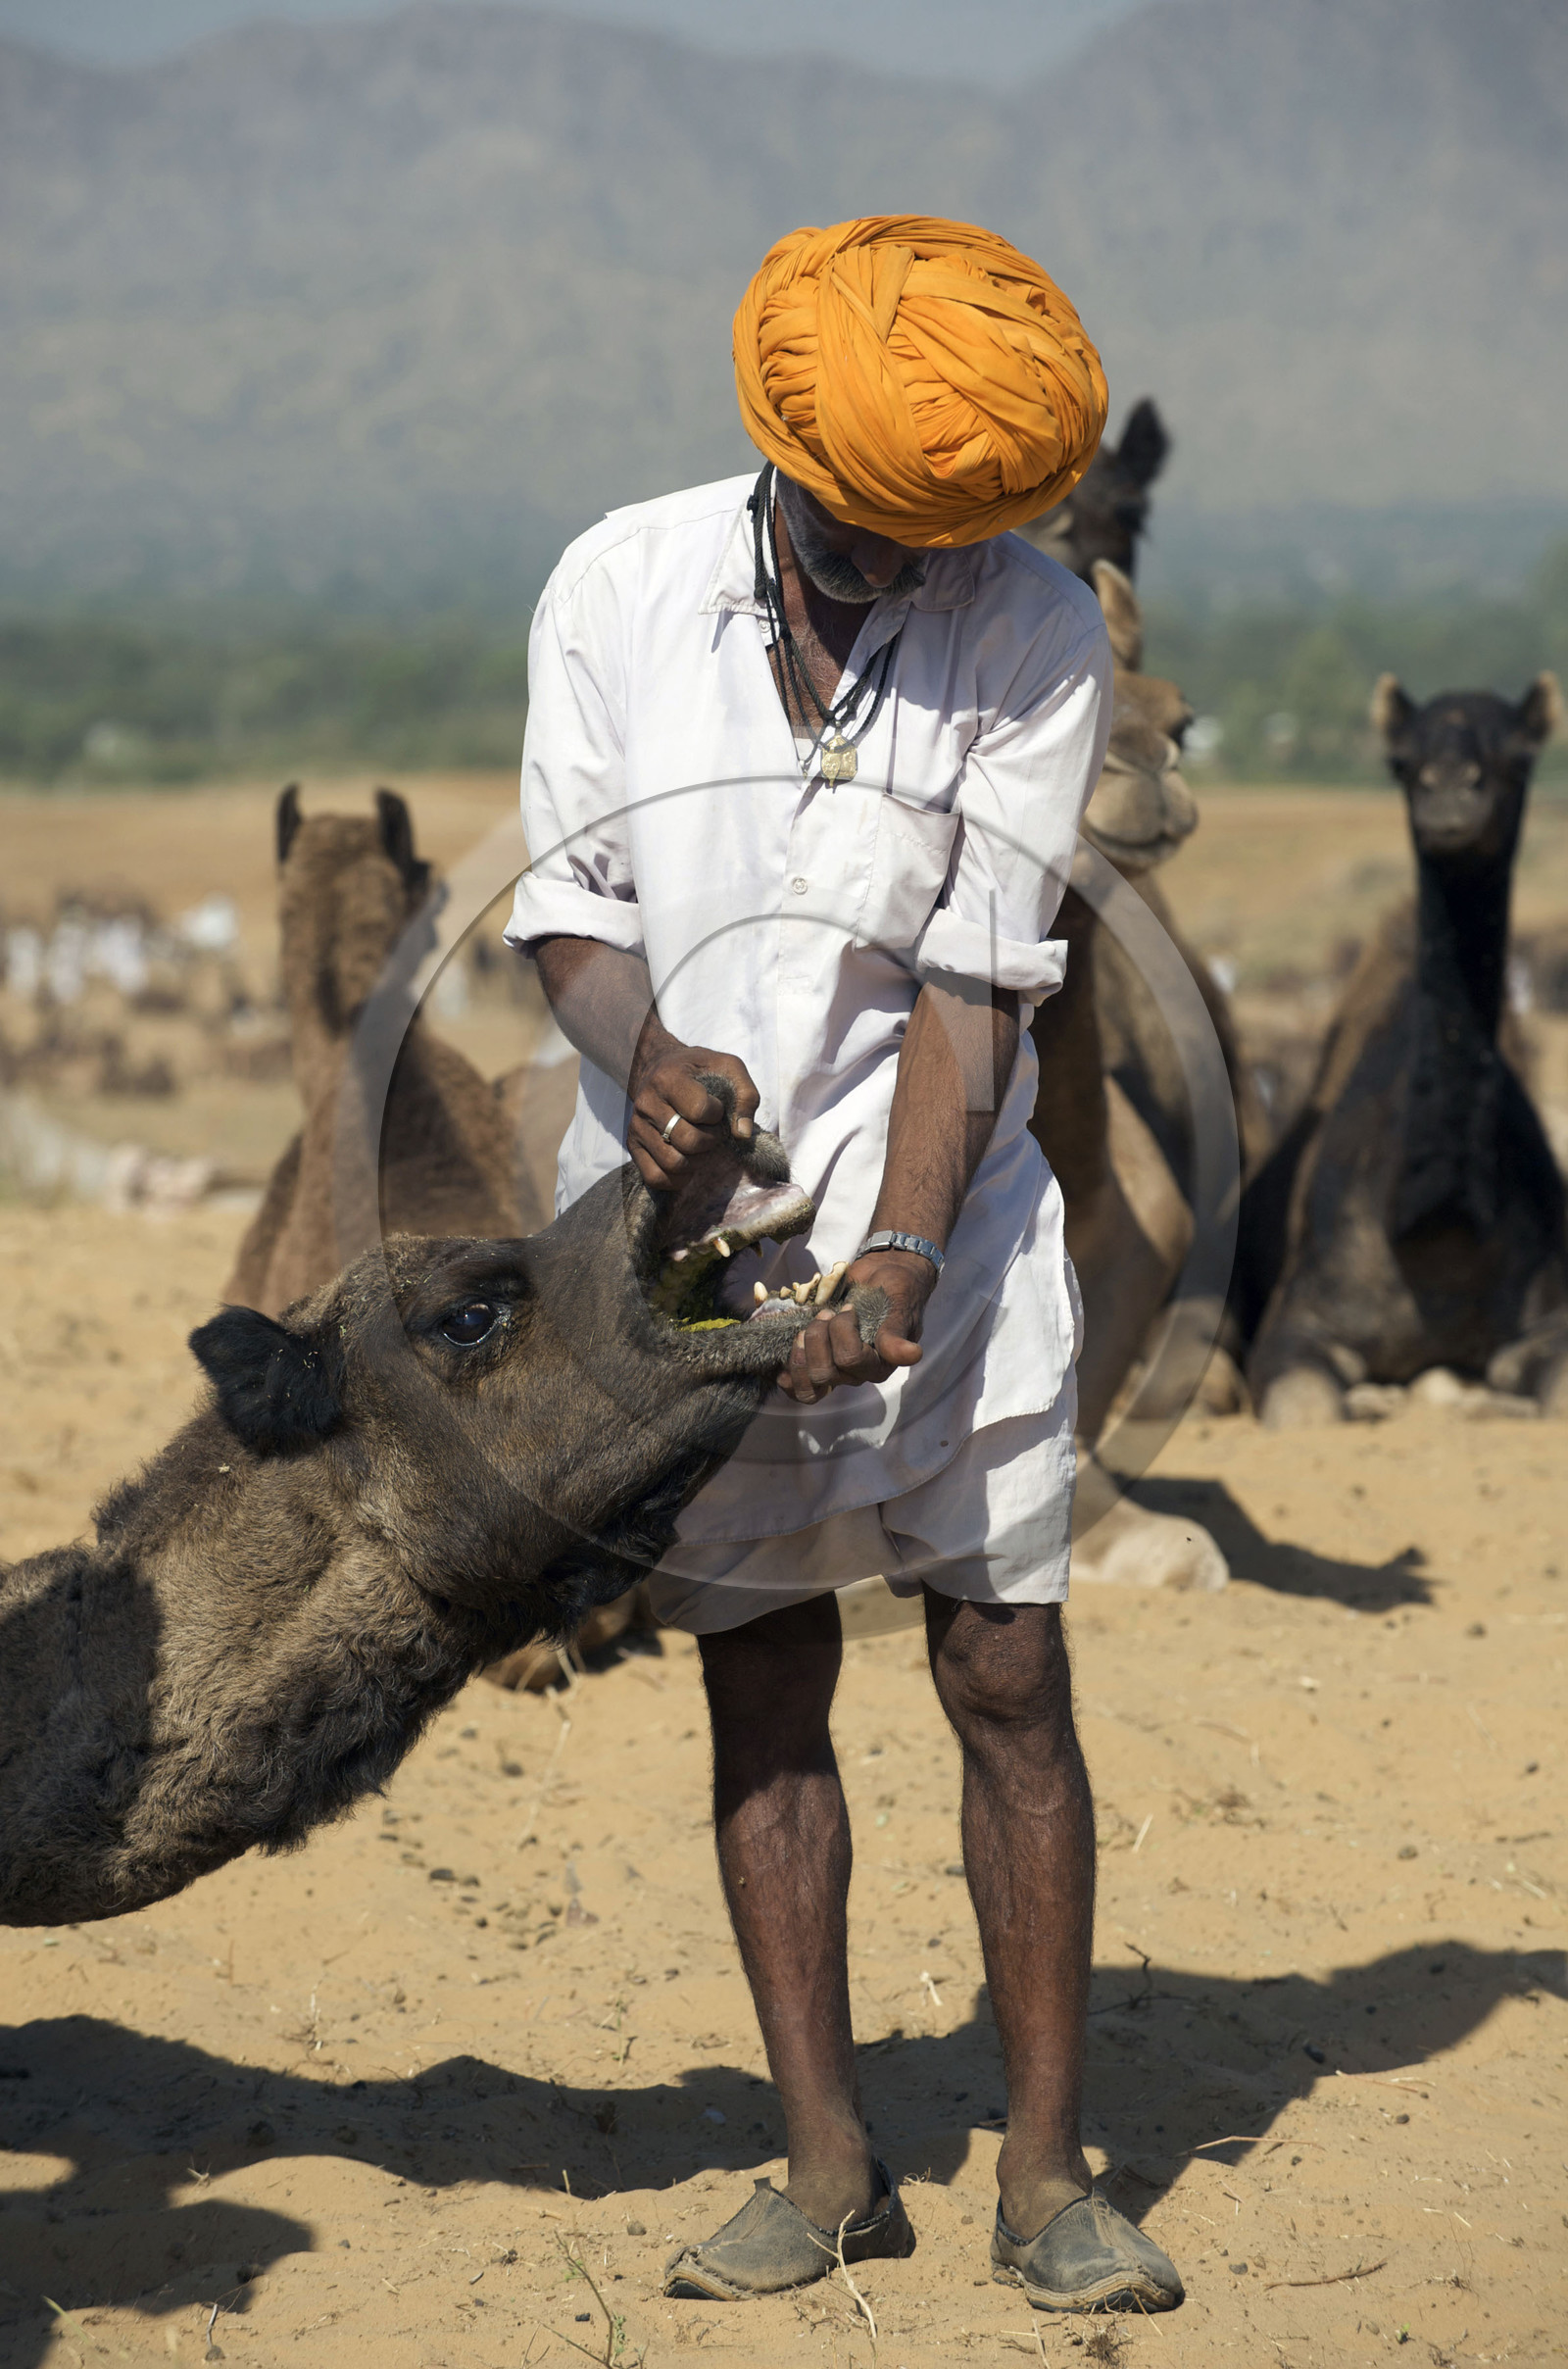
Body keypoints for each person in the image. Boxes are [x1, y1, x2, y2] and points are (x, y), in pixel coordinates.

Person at [506, 216, 1184, 2318]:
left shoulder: (1034, 628)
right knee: (761, 1681)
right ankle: (824, 2164)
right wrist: (656, 1071)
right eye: (876, 534)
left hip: (950, 1227)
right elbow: (565, 910)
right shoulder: (617, 584)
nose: (911, 574)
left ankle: (1047, 2177)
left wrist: (895, 1253)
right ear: (786, 465)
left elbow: (978, 989)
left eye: (944, 541)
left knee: (1002, 1673)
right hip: (687, 1239)